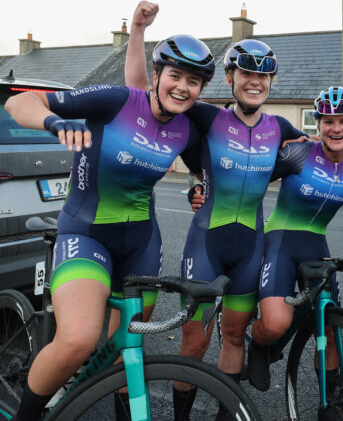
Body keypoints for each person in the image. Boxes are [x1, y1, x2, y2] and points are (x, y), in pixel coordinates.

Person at [124, 1, 343, 420]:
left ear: (270, 82)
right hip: (206, 241)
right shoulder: (206, 118)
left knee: (235, 335)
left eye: (263, 75)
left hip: (250, 247)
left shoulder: (280, 128)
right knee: (194, 340)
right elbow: (143, 97)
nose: (255, 82)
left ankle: (227, 414)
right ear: (230, 78)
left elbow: (327, 138)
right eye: (247, 74)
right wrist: (137, 32)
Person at [5, 31, 215, 421]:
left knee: (128, 346)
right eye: (175, 75)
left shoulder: (186, 129)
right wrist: (52, 122)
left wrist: (197, 186)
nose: (183, 88)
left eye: (194, 81)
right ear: (157, 74)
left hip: (141, 242)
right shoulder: (117, 101)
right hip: (86, 234)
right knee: (79, 340)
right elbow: (20, 101)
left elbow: (207, 168)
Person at [243, 86, 343, 420]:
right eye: (329, 121)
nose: (337, 128)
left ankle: (329, 401)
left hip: (317, 245)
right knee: (276, 323)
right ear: (318, 124)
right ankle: (258, 343)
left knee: (329, 327)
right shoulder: (298, 154)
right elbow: (248, 178)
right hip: (280, 240)